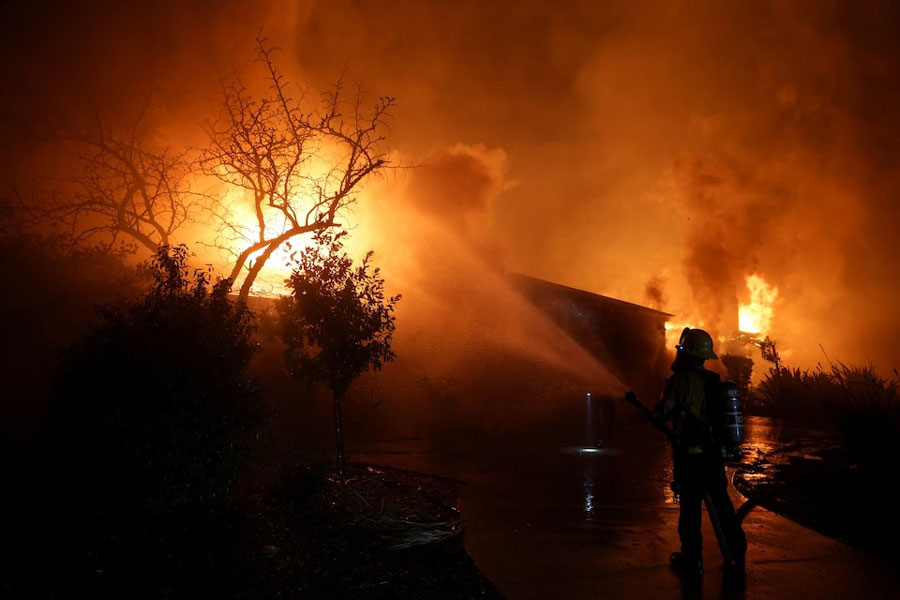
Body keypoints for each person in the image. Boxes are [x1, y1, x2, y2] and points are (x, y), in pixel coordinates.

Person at [655, 328, 746, 579]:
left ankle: (692, 562)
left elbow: (662, 414)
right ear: (706, 356)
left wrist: (659, 405)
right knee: (723, 506)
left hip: (690, 457)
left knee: (690, 512)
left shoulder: (678, 382)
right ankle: (737, 554)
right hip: (713, 456)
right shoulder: (713, 381)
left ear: (684, 352)